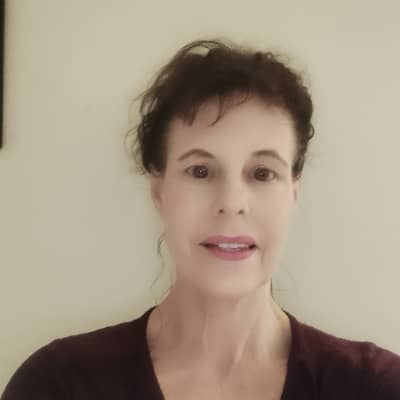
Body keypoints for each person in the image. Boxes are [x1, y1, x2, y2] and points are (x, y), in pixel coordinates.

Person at [2, 38, 400, 400]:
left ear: (293, 193)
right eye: (200, 171)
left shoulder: (375, 387)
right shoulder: (58, 385)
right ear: (159, 191)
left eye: (262, 173)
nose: (232, 203)